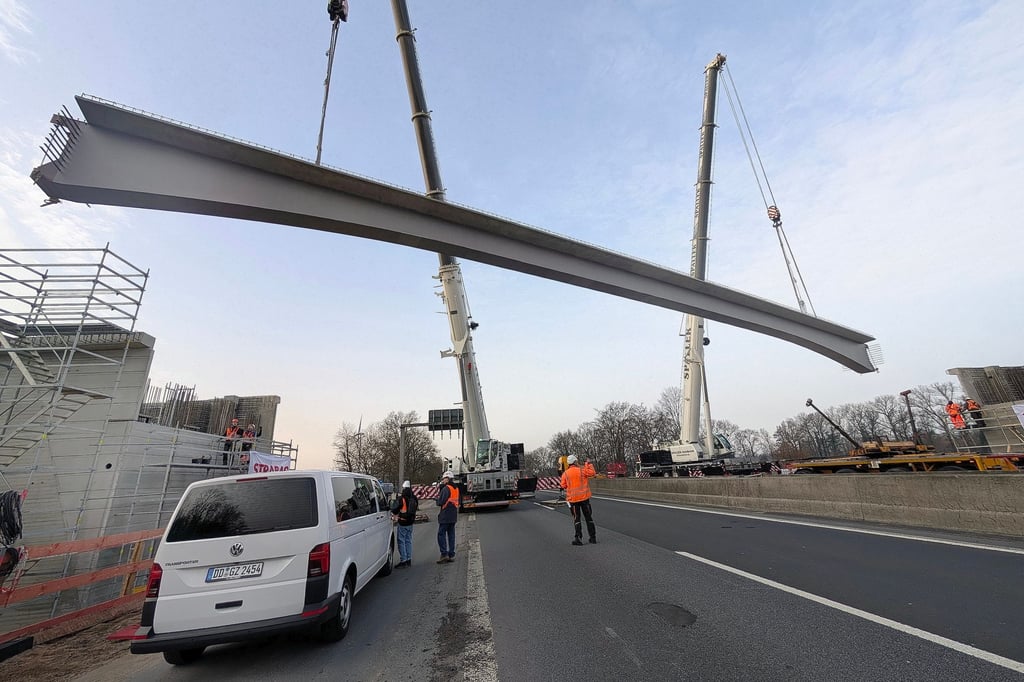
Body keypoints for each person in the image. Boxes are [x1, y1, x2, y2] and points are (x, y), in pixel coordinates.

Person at [559, 454, 597, 545]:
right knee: (589, 518)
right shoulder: (582, 470)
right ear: (575, 462)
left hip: (573, 500)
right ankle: (593, 538)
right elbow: (592, 473)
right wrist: (588, 464)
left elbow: (563, 485)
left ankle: (578, 539)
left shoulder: (565, 474)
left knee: (577, 519)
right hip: (584, 498)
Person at [390, 480, 418, 568]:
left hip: (402, 522)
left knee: (401, 541)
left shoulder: (402, 498)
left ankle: (403, 561)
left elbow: (395, 509)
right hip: (410, 522)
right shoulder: (414, 497)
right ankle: (409, 559)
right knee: (408, 540)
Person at [435, 471, 459, 564]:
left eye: (444, 478)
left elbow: (440, 502)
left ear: (447, 479)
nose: (443, 480)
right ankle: (451, 554)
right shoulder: (456, 488)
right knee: (451, 535)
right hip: (453, 514)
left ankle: (444, 554)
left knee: (441, 534)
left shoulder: (446, 489)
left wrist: (437, 499)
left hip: (445, 514)